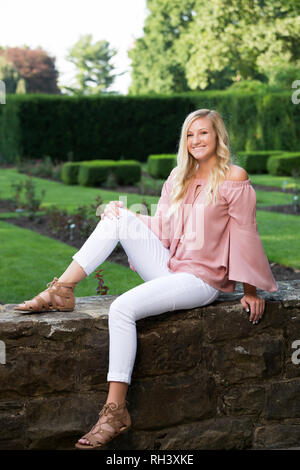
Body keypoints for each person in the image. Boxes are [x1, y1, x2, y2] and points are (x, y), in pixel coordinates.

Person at [14, 108, 278, 450]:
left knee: (122, 308)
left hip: (202, 279)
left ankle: (115, 411)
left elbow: (245, 235)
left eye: (203, 133)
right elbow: (165, 229)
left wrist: (251, 290)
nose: (196, 140)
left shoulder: (234, 178)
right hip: (171, 264)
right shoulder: (178, 176)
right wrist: (124, 215)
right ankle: (63, 289)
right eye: (189, 134)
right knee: (116, 218)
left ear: (218, 137)